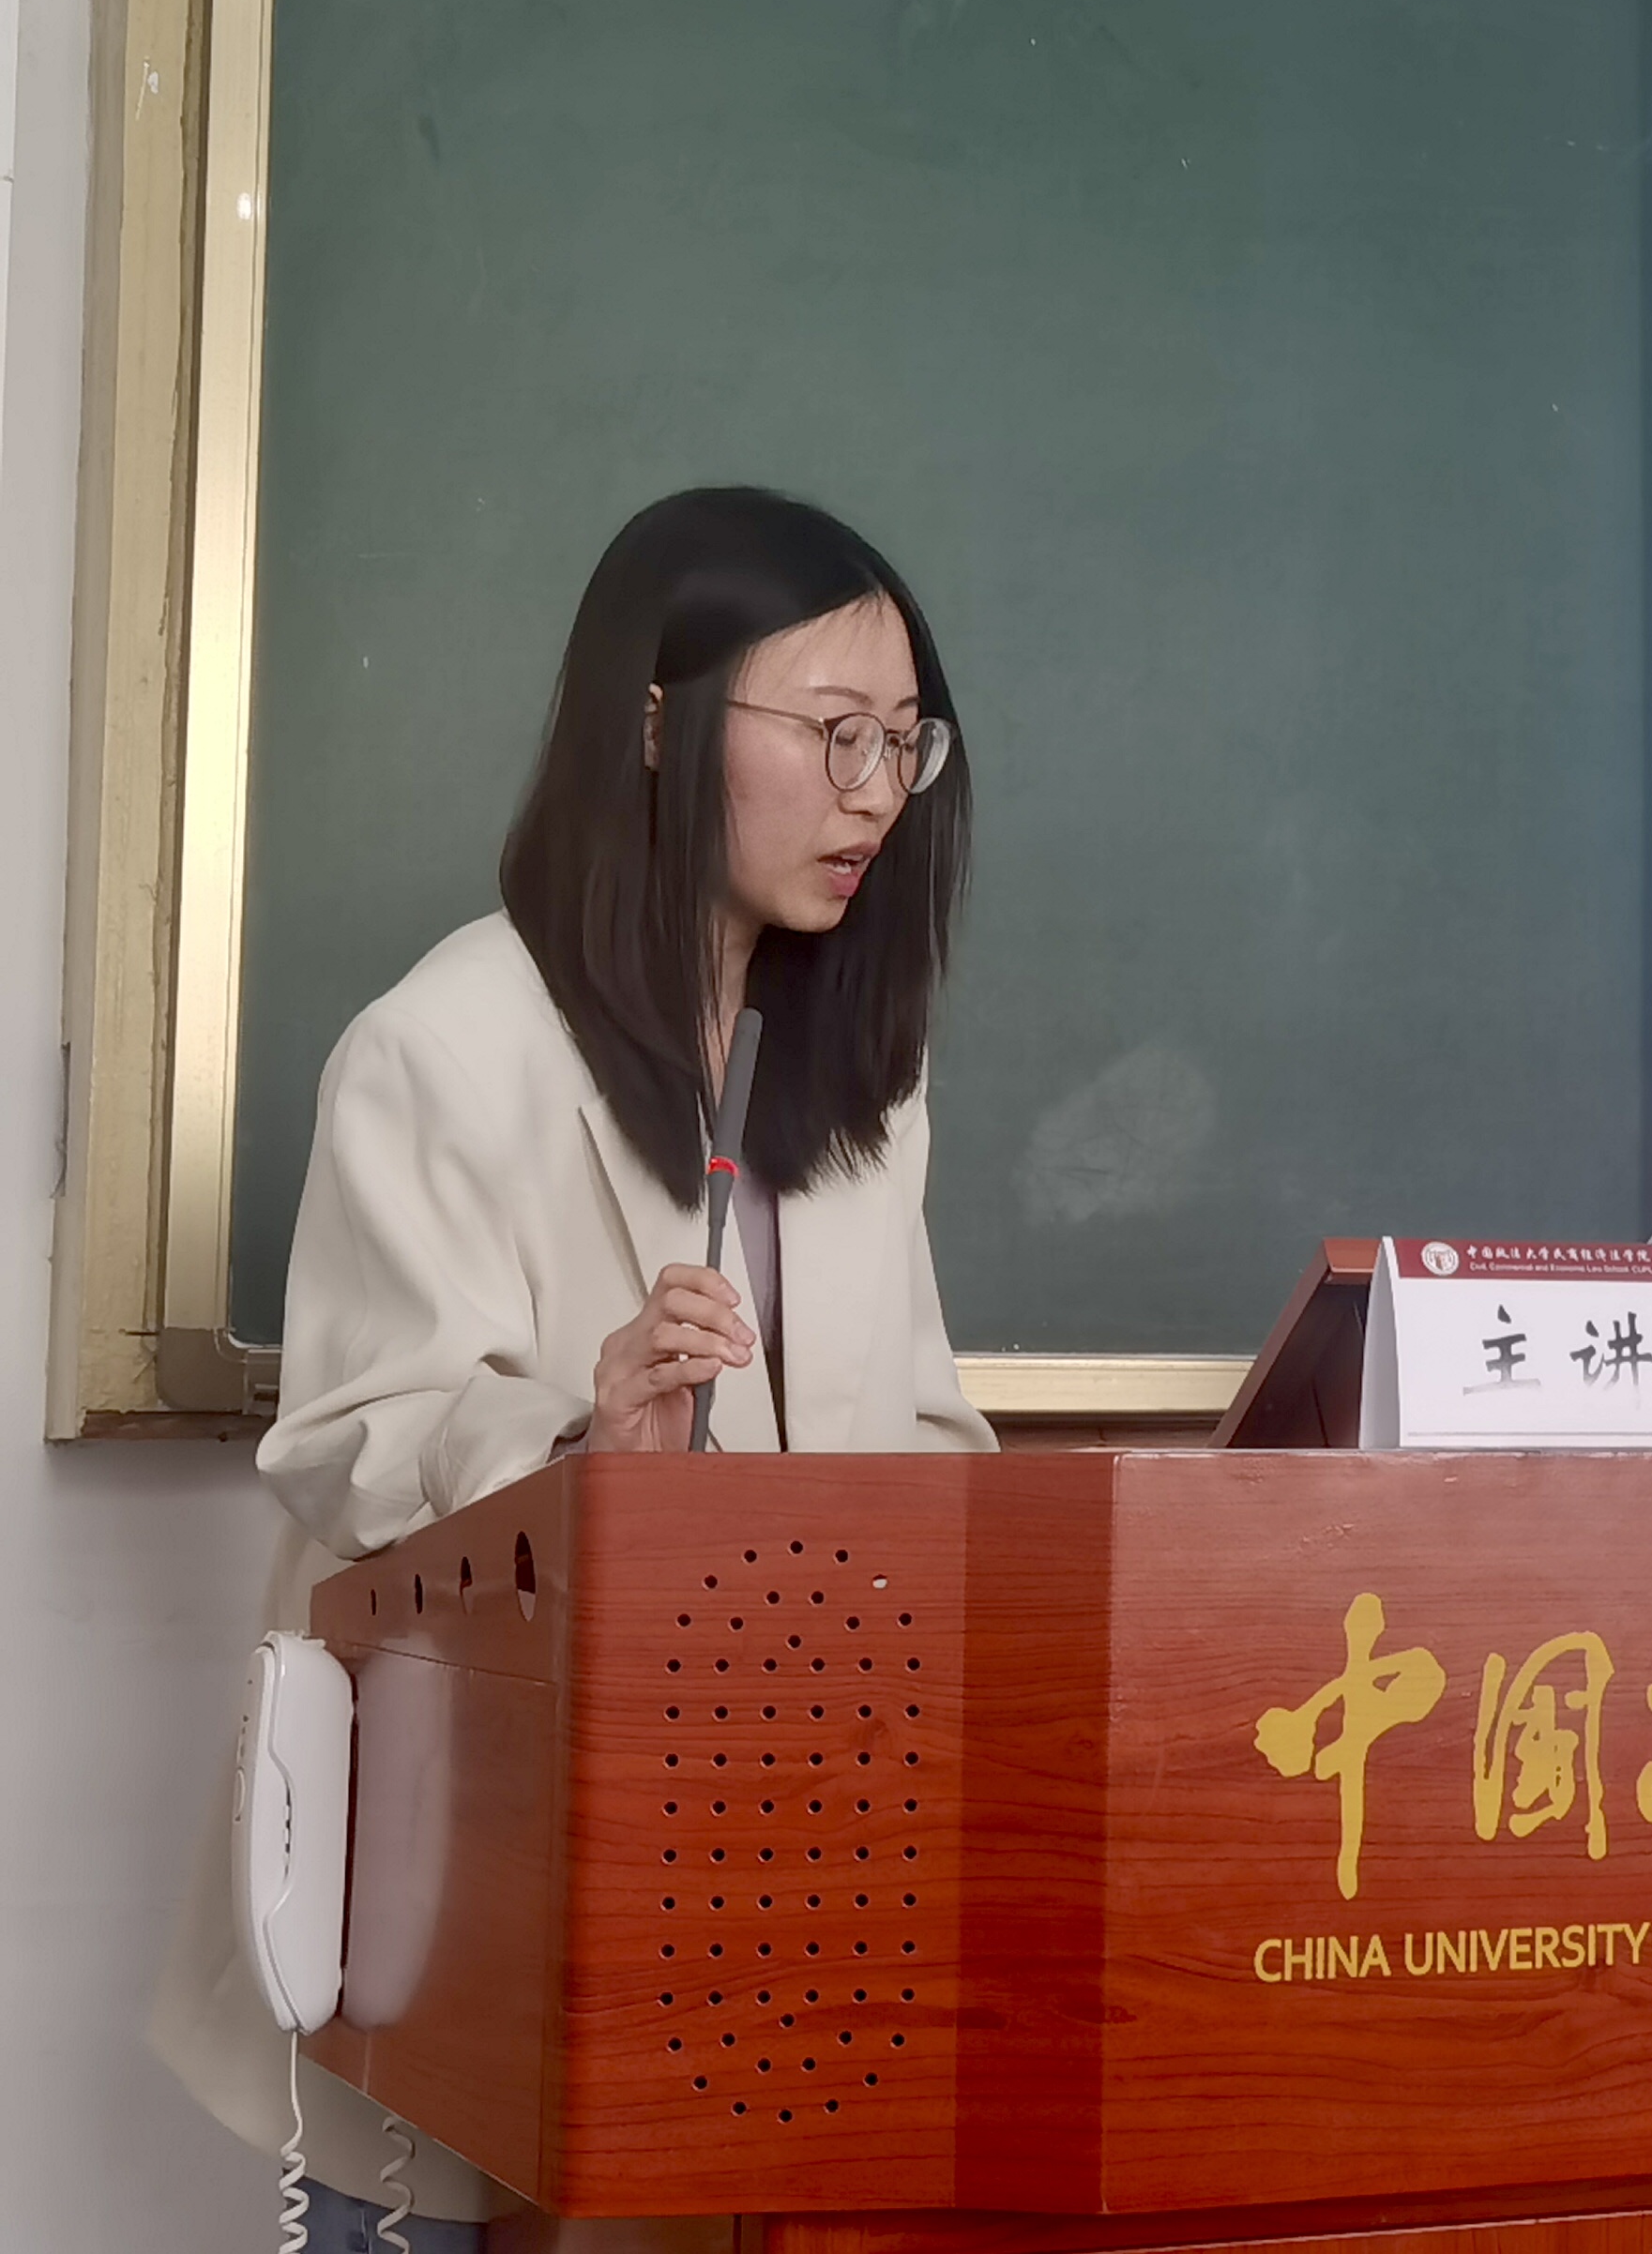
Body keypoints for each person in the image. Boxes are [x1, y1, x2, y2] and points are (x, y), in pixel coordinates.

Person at [148, 488, 999, 2247]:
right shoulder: (446, 1046)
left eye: (905, 743)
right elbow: (351, 1441)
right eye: (835, 732)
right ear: (662, 725)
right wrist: (580, 1440)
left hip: (768, 1887)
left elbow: (923, 1428)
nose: (874, 793)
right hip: (485, 1880)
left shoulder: (865, 1077)